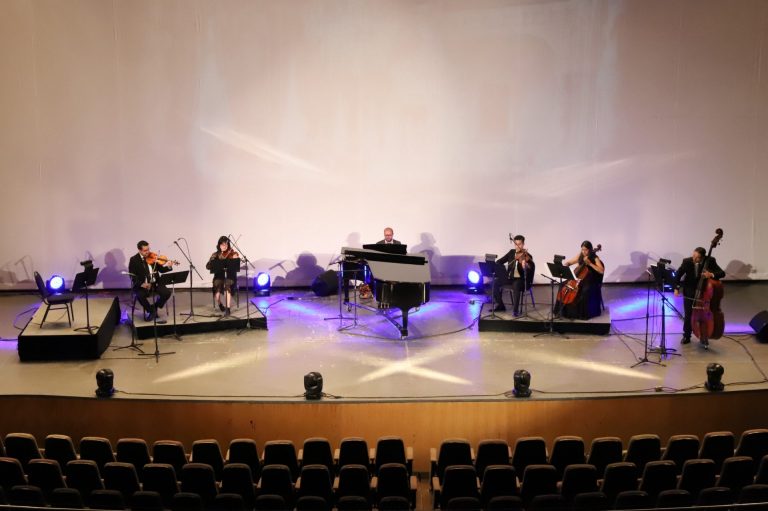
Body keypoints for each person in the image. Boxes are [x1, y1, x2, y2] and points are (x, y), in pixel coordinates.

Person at [674, 247, 725, 346]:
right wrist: (676, 287)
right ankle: (687, 335)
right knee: (688, 315)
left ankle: (704, 335)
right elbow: (678, 275)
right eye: (693, 256)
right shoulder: (687, 262)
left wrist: (711, 274)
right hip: (689, 291)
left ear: (702, 257)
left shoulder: (710, 261)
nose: (694, 259)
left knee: (703, 315)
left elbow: (722, 273)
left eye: (697, 257)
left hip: (704, 292)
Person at [128, 240, 175, 323]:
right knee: (140, 295)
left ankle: (155, 306)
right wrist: (141, 284)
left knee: (167, 293)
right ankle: (151, 311)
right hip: (143, 285)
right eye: (145, 250)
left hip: (155, 283)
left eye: (148, 249)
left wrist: (169, 267)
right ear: (139, 250)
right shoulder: (134, 260)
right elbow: (132, 276)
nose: (148, 252)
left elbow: (161, 270)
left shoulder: (153, 257)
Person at [558, 240, 605, 320]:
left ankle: (580, 313)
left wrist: (590, 263)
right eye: (582, 249)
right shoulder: (580, 255)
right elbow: (570, 262)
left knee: (584, 290)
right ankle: (564, 310)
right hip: (579, 278)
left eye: (585, 250)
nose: (583, 251)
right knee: (562, 284)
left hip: (591, 279)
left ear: (590, 249)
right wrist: (566, 265)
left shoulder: (594, 257)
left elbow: (601, 270)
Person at [492, 234, 535, 316]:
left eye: (520, 244)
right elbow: (499, 262)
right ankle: (500, 305)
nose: (517, 246)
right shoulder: (511, 252)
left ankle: (515, 310)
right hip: (510, 278)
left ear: (523, 244)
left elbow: (530, 269)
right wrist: (501, 270)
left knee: (516, 284)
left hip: (521, 280)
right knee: (495, 282)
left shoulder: (527, 256)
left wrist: (525, 266)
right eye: (516, 244)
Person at [206, 236, 240, 317]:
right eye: (222, 245)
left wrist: (235, 258)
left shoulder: (232, 253)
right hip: (219, 276)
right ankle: (220, 304)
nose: (224, 246)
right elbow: (207, 267)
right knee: (217, 292)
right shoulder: (215, 254)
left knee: (227, 284)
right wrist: (211, 261)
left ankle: (228, 308)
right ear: (219, 245)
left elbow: (235, 264)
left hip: (229, 275)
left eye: (226, 244)